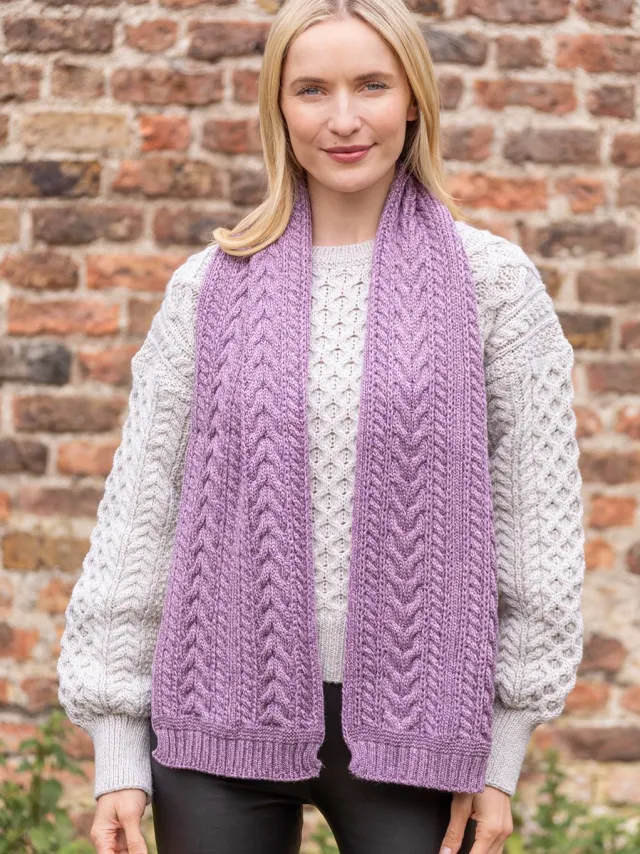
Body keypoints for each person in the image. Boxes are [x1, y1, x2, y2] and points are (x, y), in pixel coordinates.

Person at [57, 1, 586, 853]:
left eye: (371, 85)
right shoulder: (206, 289)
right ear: (279, 107)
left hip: (425, 729)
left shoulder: (493, 286)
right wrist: (117, 743)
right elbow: (140, 519)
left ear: (412, 101)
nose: (343, 119)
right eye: (311, 90)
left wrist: (502, 753)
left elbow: (538, 533)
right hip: (217, 712)